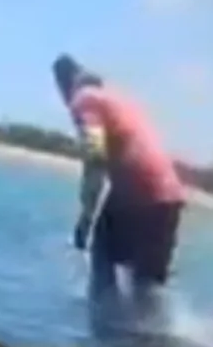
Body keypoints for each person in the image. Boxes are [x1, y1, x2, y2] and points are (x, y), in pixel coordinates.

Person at [52, 53, 187, 329]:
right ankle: (163, 340)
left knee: (102, 260)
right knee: (147, 283)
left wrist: (85, 218)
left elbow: (96, 157)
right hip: (168, 194)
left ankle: (105, 339)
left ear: (63, 85)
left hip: (139, 192)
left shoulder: (84, 101)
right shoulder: (115, 97)